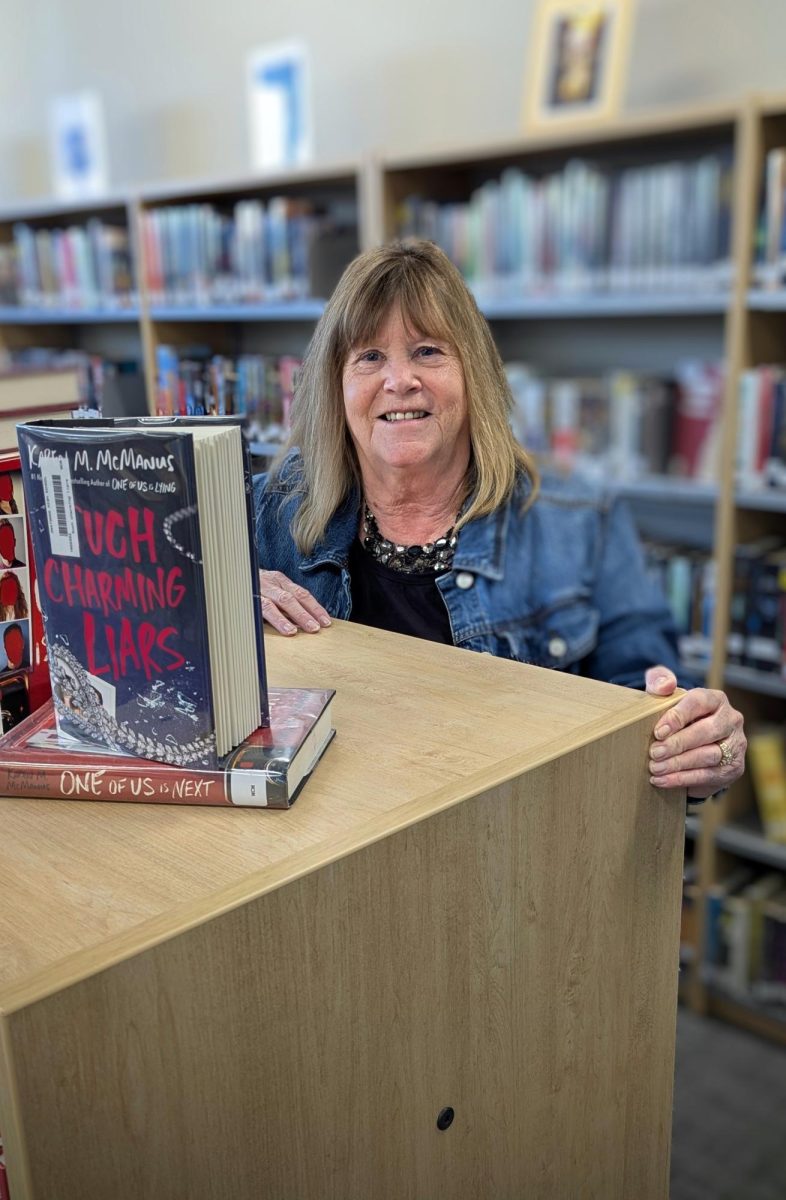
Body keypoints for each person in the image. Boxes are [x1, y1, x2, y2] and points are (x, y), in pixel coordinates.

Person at [253, 240, 746, 800]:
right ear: (334, 385)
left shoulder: (579, 522)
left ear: (474, 375)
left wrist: (699, 744)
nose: (399, 381)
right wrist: (222, 594)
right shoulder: (275, 508)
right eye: (369, 357)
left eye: (427, 352)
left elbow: (652, 712)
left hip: (516, 847)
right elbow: (146, 601)